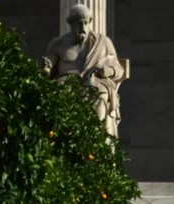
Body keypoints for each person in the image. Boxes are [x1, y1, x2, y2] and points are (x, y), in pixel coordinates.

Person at [42, 4, 125, 136]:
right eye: (79, 23)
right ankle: (62, 138)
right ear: (71, 24)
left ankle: (96, 138)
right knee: (57, 94)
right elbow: (49, 68)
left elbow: (119, 69)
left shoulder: (103, 42)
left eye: (86, 23)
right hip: (65, 84)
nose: (83, 27)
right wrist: (46, 69)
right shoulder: (58, 44)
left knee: (101, 93)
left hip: (93, 82)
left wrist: (108, 71)